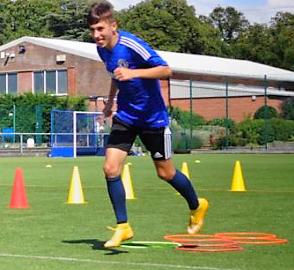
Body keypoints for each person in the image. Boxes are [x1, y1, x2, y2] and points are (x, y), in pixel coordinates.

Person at [88, 1, 208, 248]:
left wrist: (134, 73)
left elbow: (166, 70)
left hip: (153, 119)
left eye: (100, 29)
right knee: (110, 169)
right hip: (126, 117)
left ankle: (197, 205)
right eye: (92, 30)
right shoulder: (102, 51)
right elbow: (115, 75)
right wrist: (110, 102)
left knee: (165, 173)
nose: (96, 35)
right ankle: (123, 226)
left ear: (113, 26)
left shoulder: (131, 45)